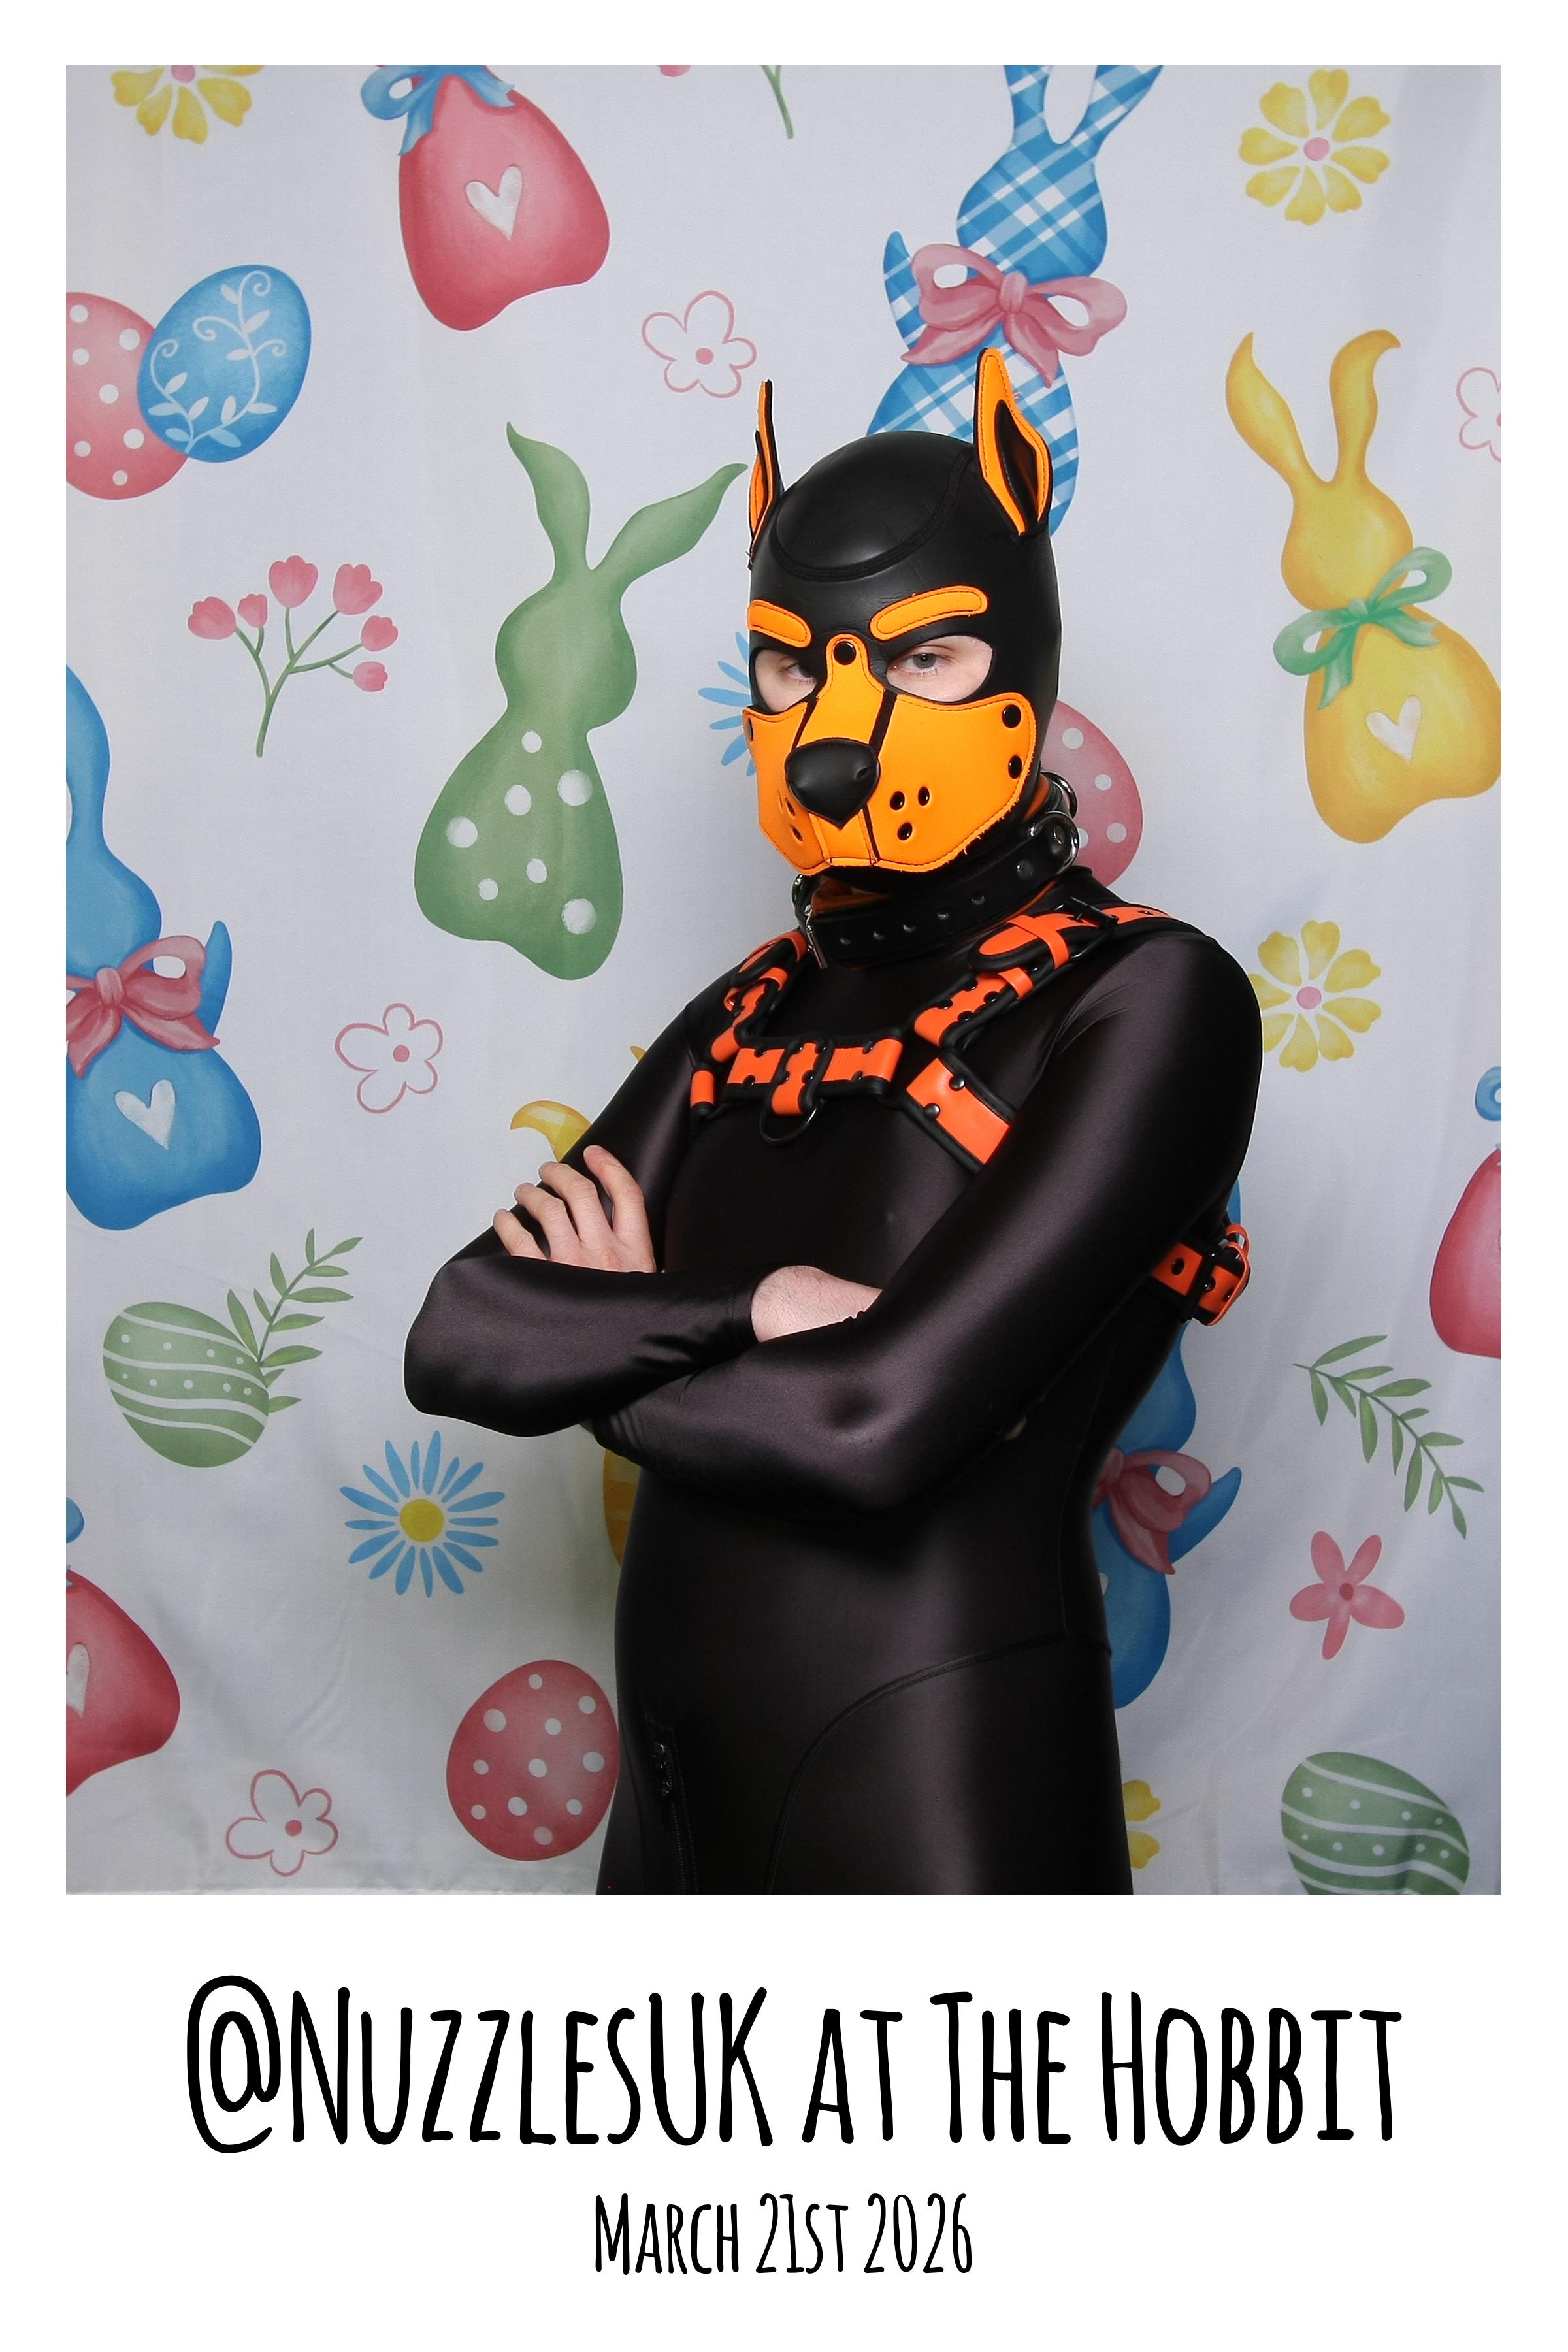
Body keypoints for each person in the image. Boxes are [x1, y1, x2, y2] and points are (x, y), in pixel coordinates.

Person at [405, 352, 1262, 1893]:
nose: (837, 731)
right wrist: (755, 1309)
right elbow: (463, 1333)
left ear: (1024, 664)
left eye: (926, 656)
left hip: (942, 1791)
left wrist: (599, 1349)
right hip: (668, 1803)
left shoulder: (1152, 1001)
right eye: (792, 670)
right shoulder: (751, 1012)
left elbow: (875, 1428)